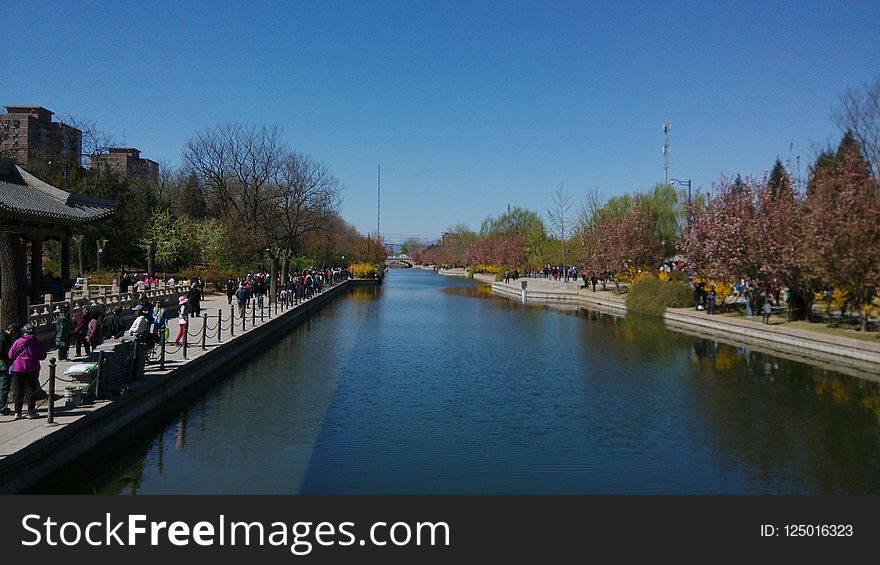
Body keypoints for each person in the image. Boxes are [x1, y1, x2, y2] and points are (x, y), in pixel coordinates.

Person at [8, 324, 47, 420]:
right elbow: (43, 356)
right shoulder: (37, 343)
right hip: (32, 368)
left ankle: (18, 412)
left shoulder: (18, 342)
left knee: (18, 391)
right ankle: (31, 412)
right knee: (31, 390)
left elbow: (10, 355)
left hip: (18, 368)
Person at [0, 324, 22, 416]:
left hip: (3, 364)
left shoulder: (3, 337)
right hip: (3, 365)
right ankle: (1, 407)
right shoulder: (4, 338)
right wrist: (7, 359)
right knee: (4, 386)